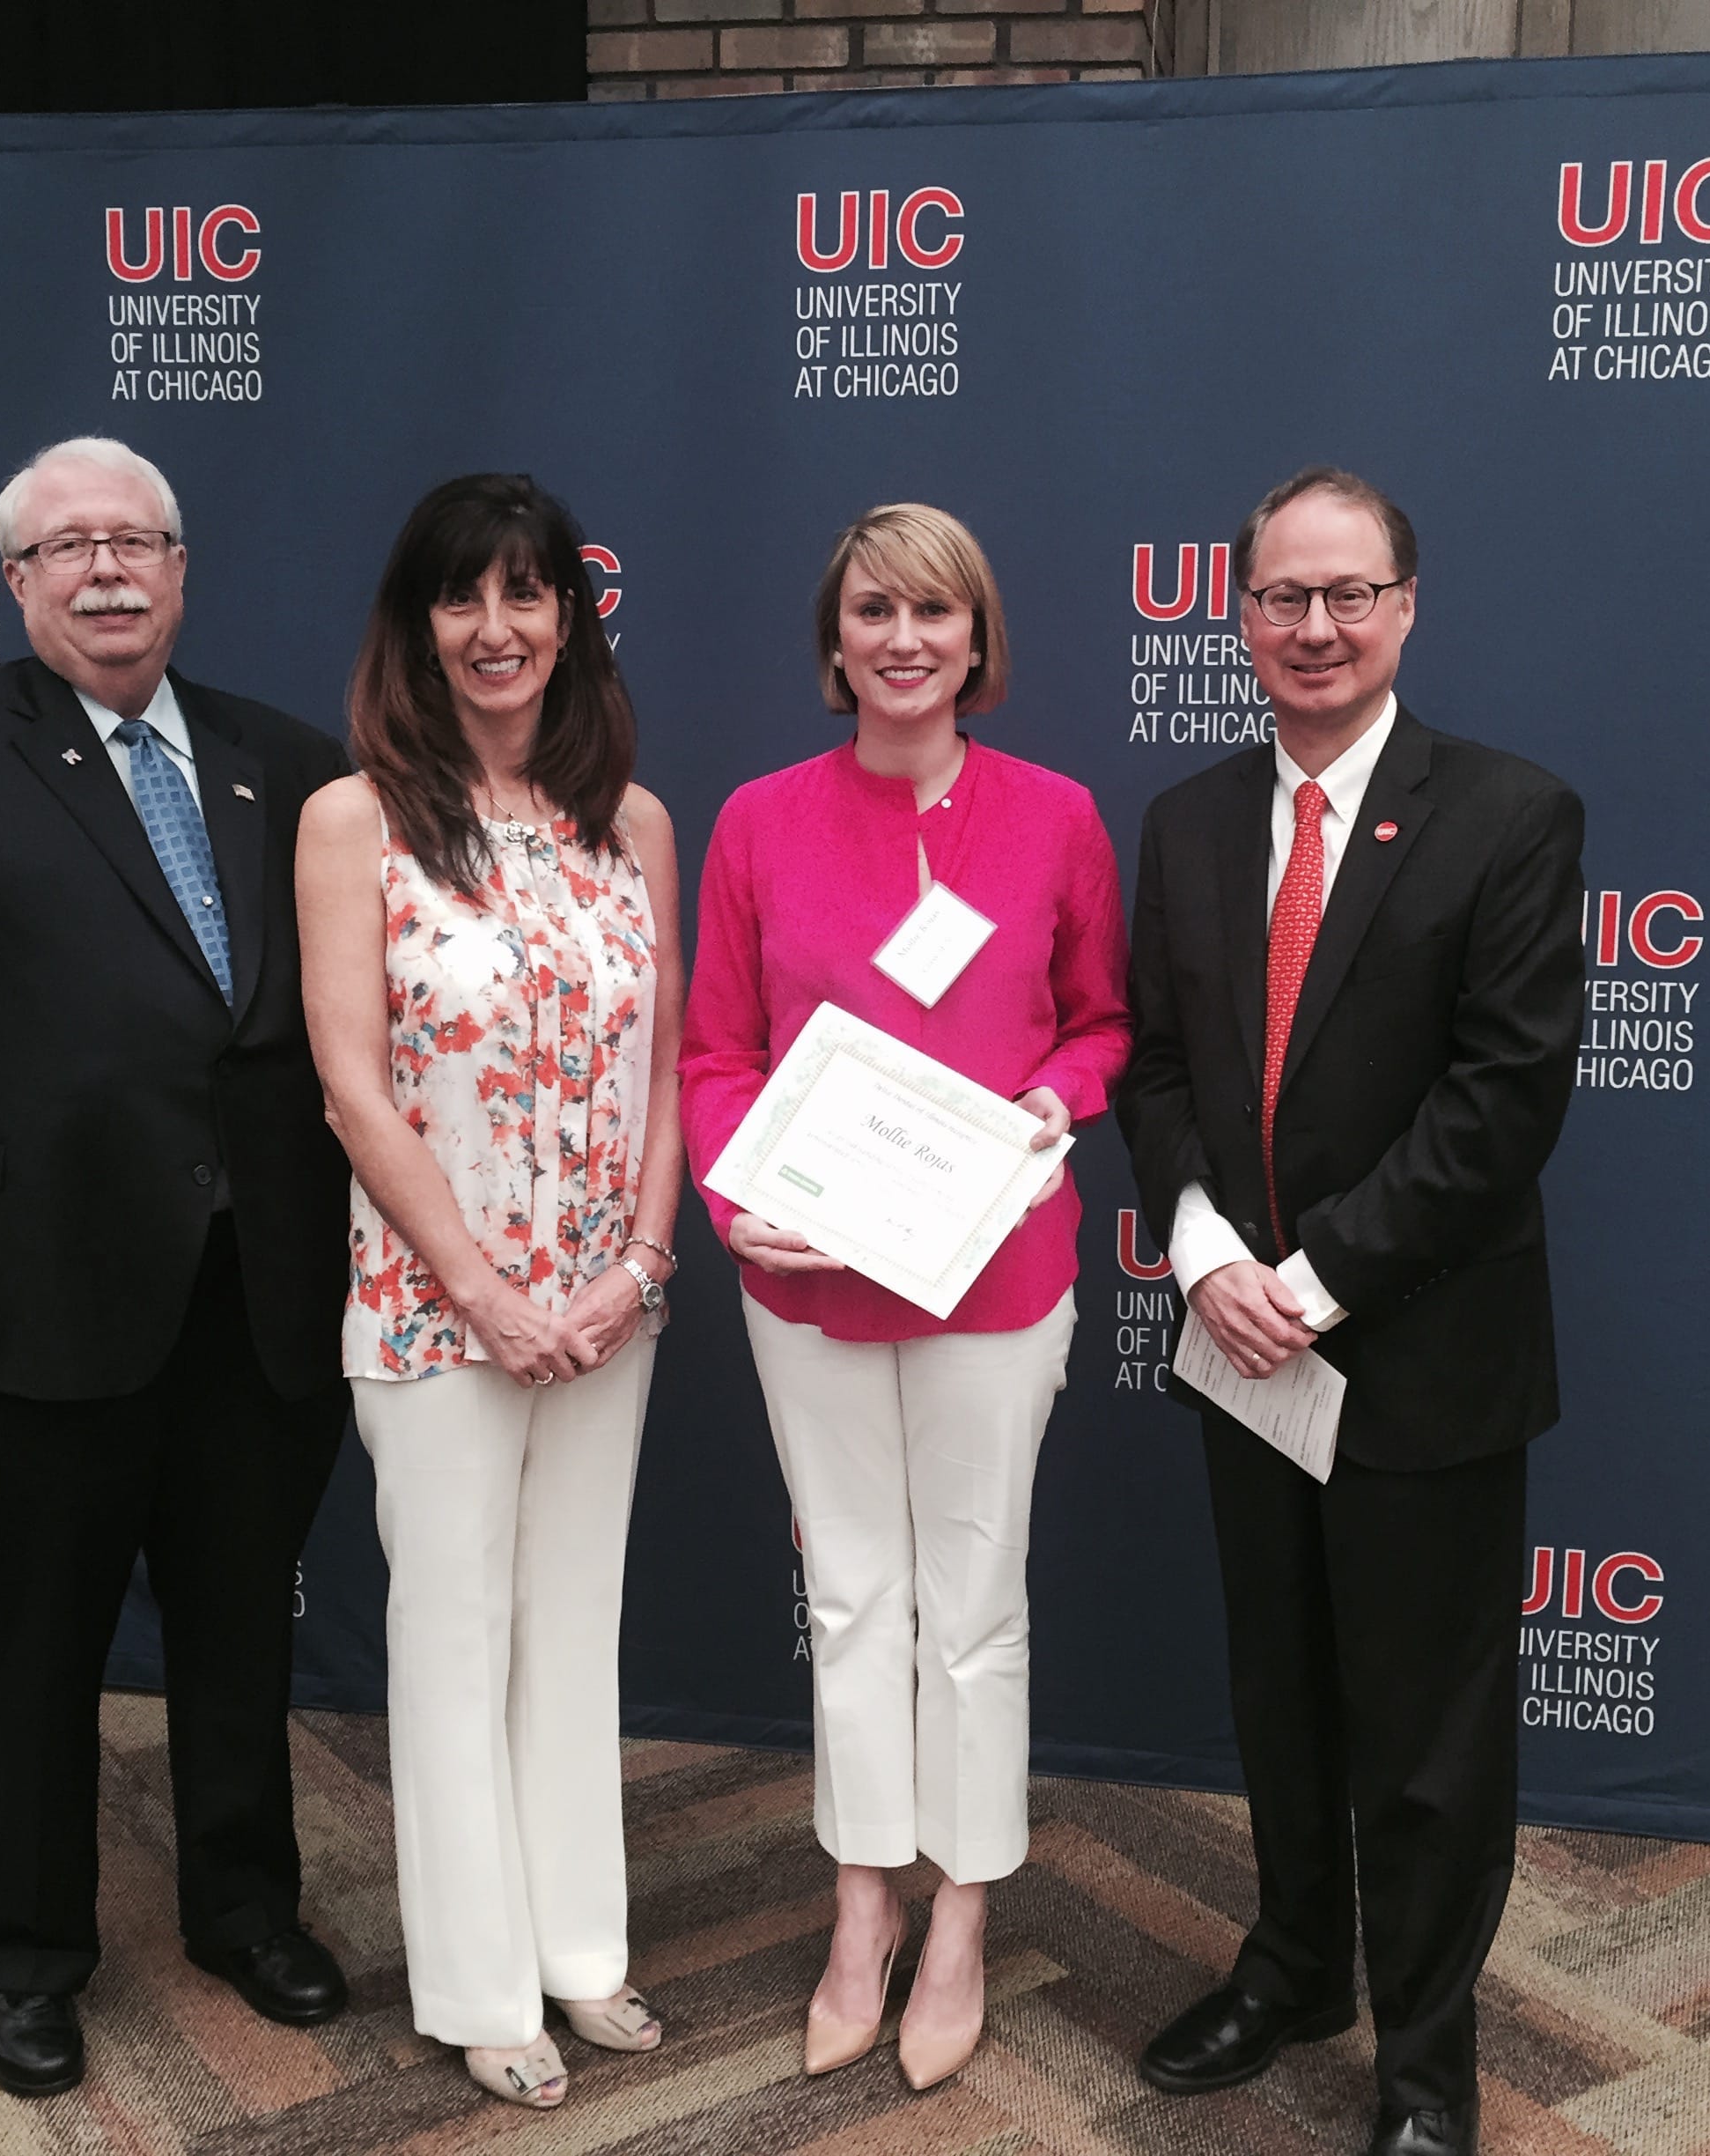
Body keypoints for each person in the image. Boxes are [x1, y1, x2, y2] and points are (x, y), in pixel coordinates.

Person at [0, 437, 356, 2099]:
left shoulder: (289, 760)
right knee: (30, 1652)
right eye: (71, 549)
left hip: (259, 1297)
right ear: (14, 580)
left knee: (244, 1633)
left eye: (140, 544)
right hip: (31, 1300)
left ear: (183, 570)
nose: (110, 572)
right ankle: (29, 1958)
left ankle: (245, 1910)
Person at [1119, 468, 1583, 2156]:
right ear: (1234, 613)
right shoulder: (1179, 823)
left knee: (1429, 1737)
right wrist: (1196, 1246)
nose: (1313, 628)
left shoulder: (1512, 817)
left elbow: (1503, 1105)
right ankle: (1297, 1967)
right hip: (1238, 1346)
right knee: (1283, 1694)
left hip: (1417, 1356)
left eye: (1348, 595)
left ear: (1405, 609)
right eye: (1280, 597)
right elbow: (1157, 1068)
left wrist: (1312, 1282)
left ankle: (1424, 2066)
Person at [681, 504, 1132, 2095]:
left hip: (996, 1275)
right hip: (810, 1287)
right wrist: (743, 1201)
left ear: (976, 640)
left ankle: (964, 1918)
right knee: (855, 1601)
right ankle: (861, 1906)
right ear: (835, 640)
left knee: (975, 1607)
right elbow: (717, 1054)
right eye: (875, 609)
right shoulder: (757, 821)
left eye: (935, 613)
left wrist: (1050, 1108)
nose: (904, 639)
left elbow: (1101, 1027)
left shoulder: (1058, 816)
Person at [296, 473, 682, 2112]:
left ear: (570, 619)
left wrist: (639, 1267)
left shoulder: (635, 823)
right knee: (451, 1641)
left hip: (609, 1312)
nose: (498, 628)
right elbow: (352, 1087)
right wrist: (487, 1293)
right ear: (420, 624)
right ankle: (475, 1983)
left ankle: (581, 1950)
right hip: (434, 1315)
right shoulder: (353, 817)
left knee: (571, 1630)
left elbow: (670, 1080)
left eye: (529, 595)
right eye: (465, 597)